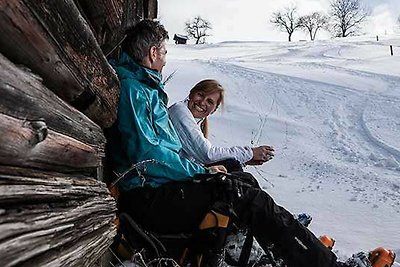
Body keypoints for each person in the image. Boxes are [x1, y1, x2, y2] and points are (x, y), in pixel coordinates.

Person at [105, 19, 379, 267]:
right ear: (153, 53)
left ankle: (268, 241)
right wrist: (201, 172)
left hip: (157, 188)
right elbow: (149, 155)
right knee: (242, 194)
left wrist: (203, 171)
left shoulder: (146, 89)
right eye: (164, 53)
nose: (165, 60)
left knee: (241, 181)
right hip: (147, 196)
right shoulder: (135, 91)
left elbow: (163, 152)